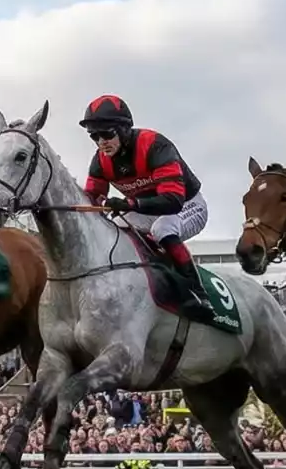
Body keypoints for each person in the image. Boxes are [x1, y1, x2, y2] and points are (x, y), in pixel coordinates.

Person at [79, 95, 212, 323]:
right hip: (146, 209)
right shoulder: (100, 160)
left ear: (124, 129)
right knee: (116, 229)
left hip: (186, 204)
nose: (101, 142)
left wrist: (131, 203)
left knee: (162, 229)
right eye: (94, 136)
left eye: (107, 133)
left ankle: (196, 292)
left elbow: (173, 200)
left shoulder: (155, 145)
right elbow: (91, 200)